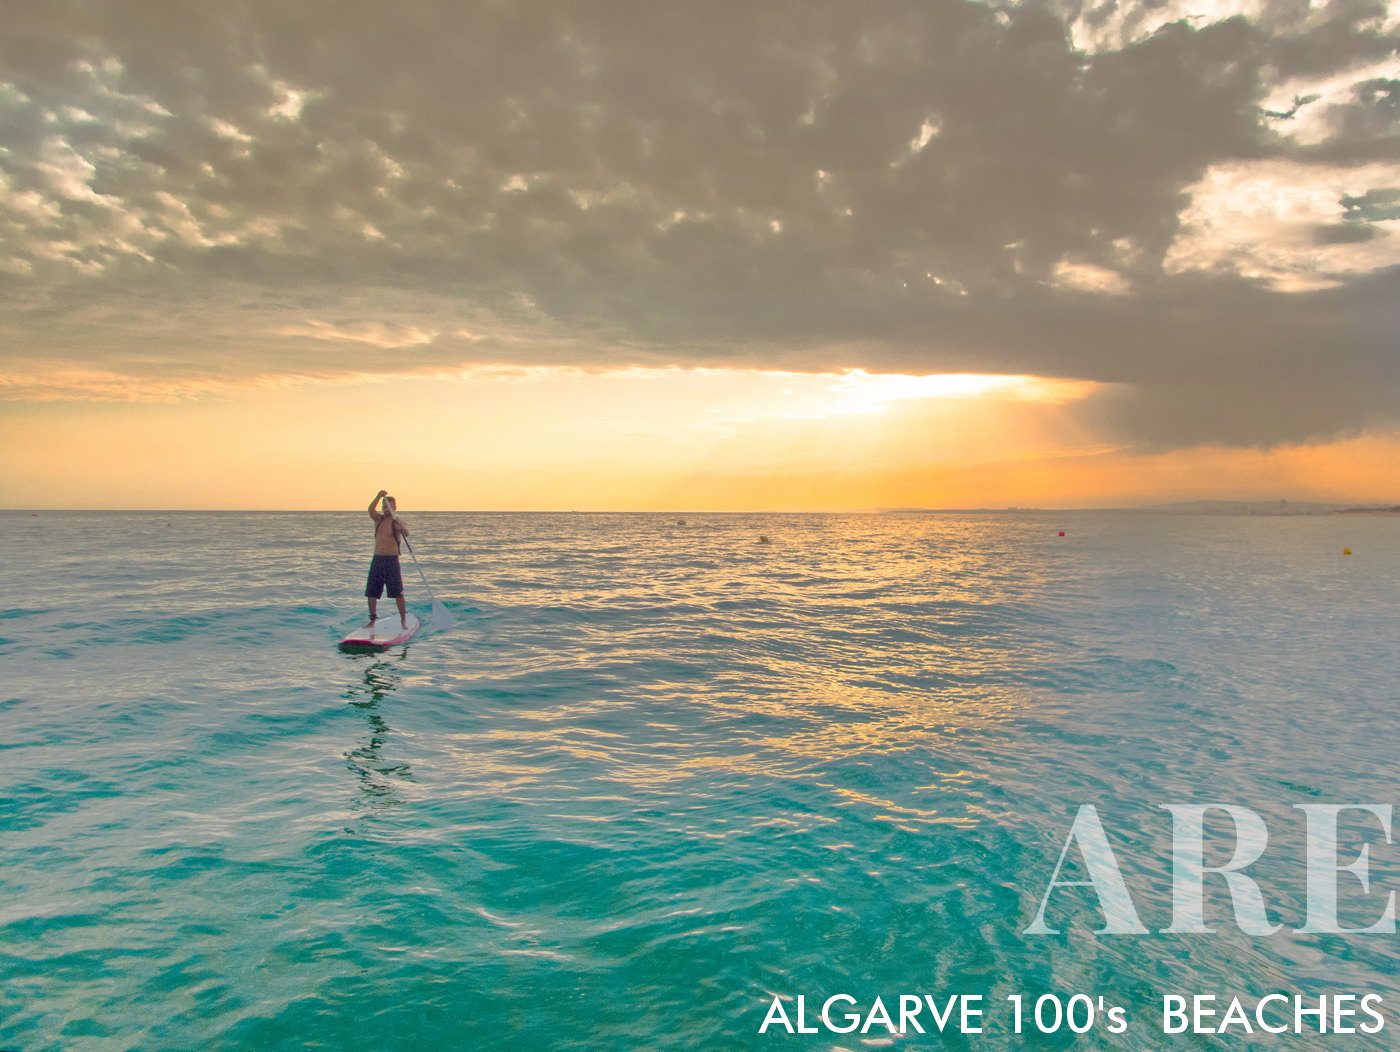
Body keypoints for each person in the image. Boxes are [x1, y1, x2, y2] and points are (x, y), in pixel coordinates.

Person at [365, 489, 410, 627]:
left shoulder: (396, 522)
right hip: (378, 559)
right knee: (372, 592)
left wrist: (402, 529)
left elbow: (406, 534)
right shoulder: (378, 519)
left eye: (389, 506)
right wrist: (378, 496)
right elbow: (370, 509)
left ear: (394, 507)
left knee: (397, 593)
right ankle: (372, 620)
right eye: (384, 506)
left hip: (392, 561)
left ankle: (403, 621)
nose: (386, 509)